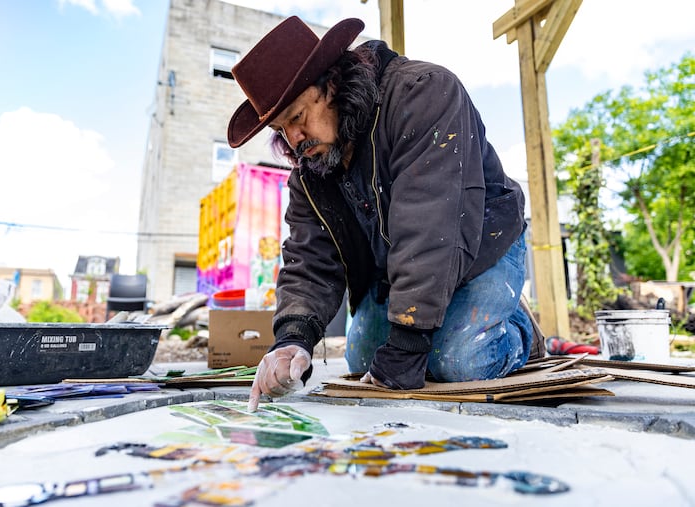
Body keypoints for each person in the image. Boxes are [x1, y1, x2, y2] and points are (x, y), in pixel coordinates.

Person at [227, 16, 544, 411]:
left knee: (459, 360)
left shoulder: (423, 94)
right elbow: (310, 259)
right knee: (364, 361)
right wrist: (292, 339)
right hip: (403, 269)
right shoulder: (310, 171)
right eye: (280, 130)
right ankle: (444, 322)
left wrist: (410, 341)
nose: (294, 140)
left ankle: (519, 332)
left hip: (482, 246)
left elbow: (430, 225)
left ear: (334, 84)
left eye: (297, 117)